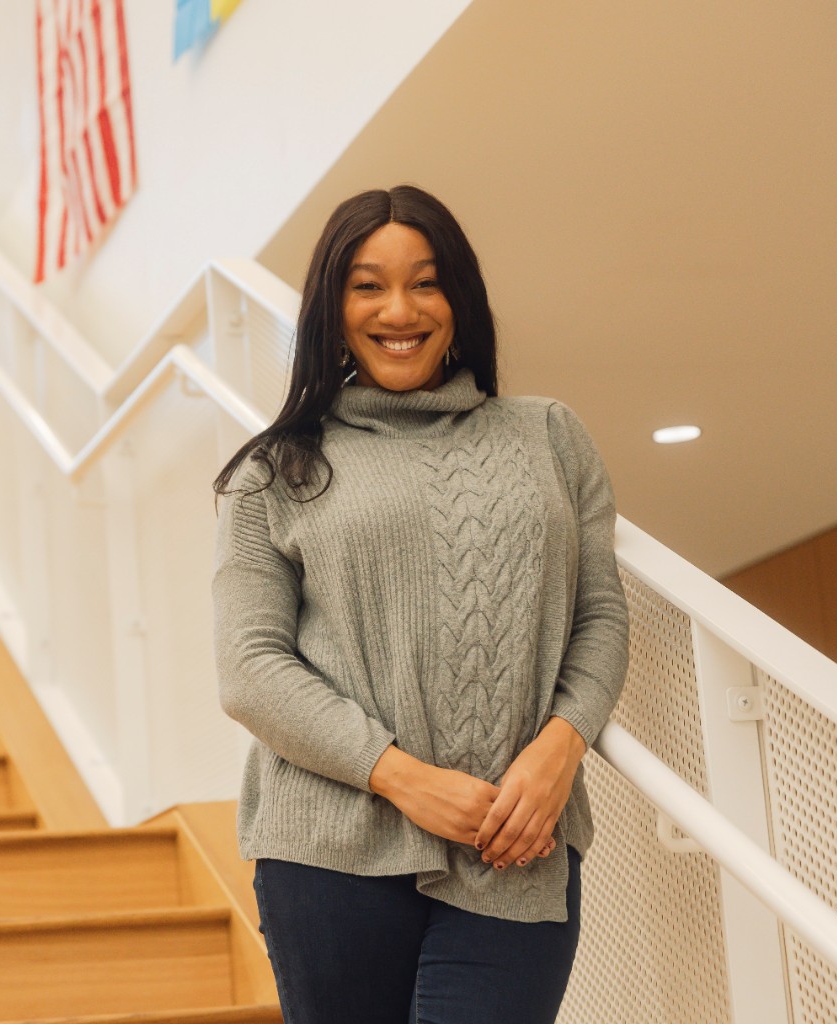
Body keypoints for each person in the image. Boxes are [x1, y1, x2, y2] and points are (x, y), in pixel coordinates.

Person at [212, 185, 629, 1024]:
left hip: (517, 845)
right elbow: (250, 669)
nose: (398, 310)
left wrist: (560, 748)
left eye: (425, 282)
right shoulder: (274, 471)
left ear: (459, 299)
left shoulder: (548, 435)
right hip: (328, 851)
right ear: (332, 308)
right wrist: (405, 781)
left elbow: (600, 616)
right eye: (367, 286)